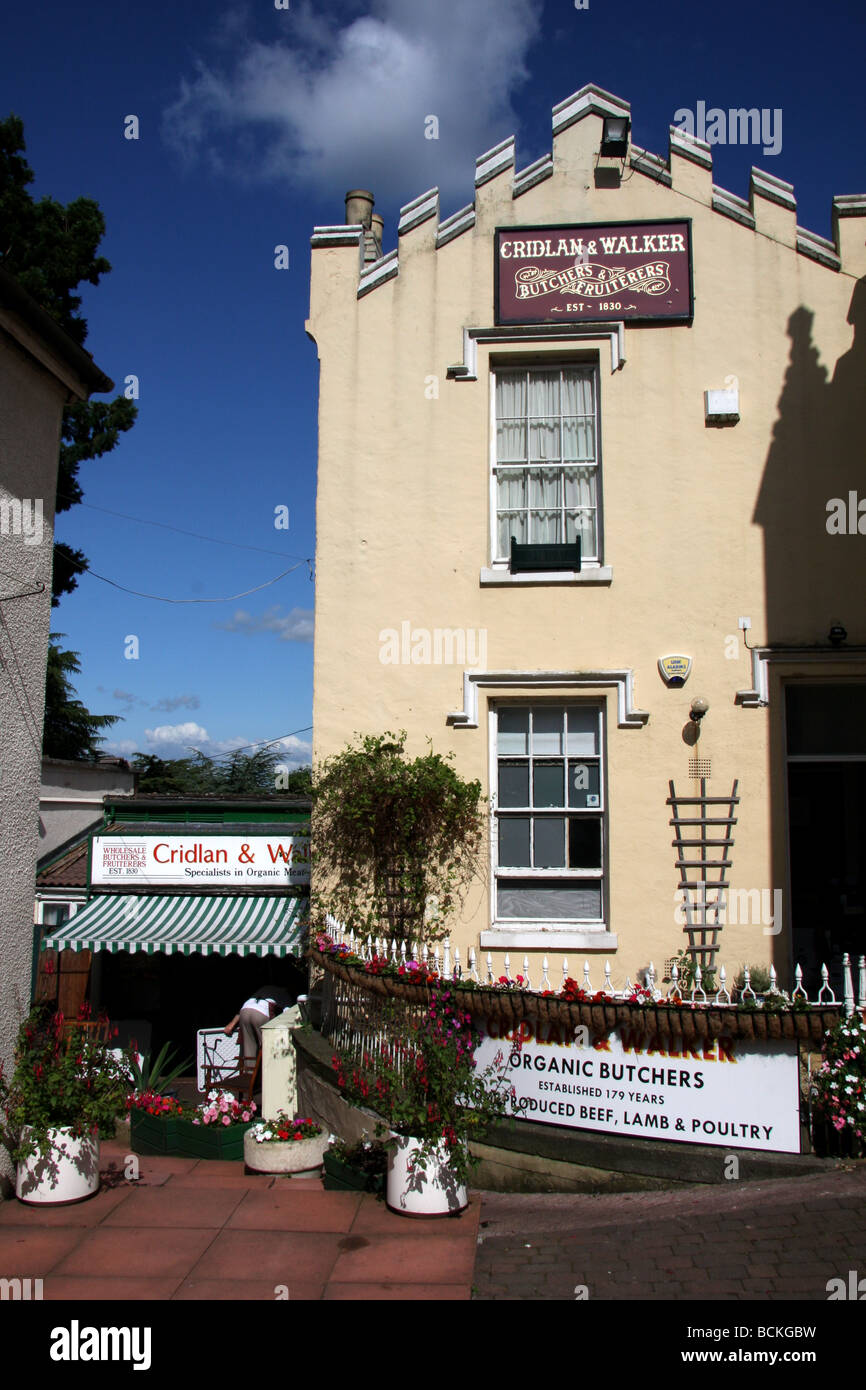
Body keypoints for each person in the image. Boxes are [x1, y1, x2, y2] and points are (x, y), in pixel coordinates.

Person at [224, 984, 294, 1066]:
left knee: (249, 1049)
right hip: (261, 1012)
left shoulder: (265, 988)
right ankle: (269, 1073)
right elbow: (287, 1014)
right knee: (268, 1047)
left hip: (244, 1011)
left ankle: (249, 1075)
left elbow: (249, 1005)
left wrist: (232, 1024)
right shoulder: (285, 993)